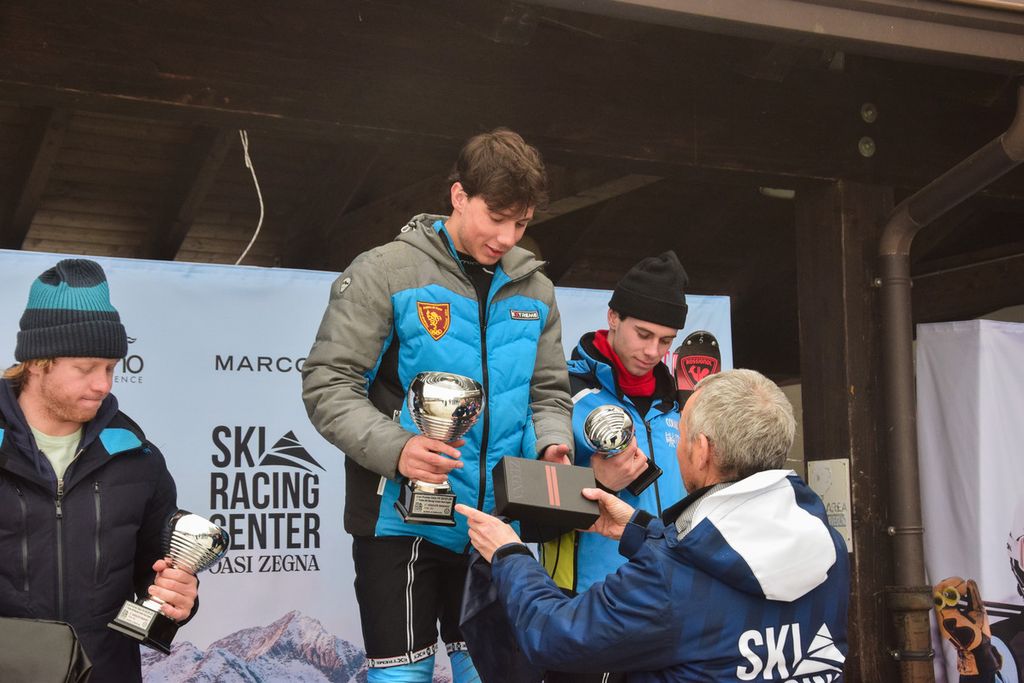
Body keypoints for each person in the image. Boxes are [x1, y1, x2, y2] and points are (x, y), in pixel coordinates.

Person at [302, 128, 574, 682]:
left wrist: (552, 443)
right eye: (496, 217)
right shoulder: (385, 270)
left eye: (521, 223)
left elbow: (547, 393)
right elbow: (328, 384)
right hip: (400, 521)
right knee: (402, 676)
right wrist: (399, 449)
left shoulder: (536, 289)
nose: (507, 237)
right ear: (459, 196)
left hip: (492, 523)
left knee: (492, 673)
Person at [457, 369, 850, 682]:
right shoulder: (827, 545)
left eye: (682, 435)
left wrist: (510, 555)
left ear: (702, 451)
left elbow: (556, 637)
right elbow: (720, 578)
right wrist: (639, 529)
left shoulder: (669, 579)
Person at [0, 259, 198, 683]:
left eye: (110, 368)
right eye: (86, 368)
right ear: (37, 362)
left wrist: (177, 598)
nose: (103, 385)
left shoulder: (138, 459)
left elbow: (155, 574)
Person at [540, 250, 688, 683]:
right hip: (585, 605)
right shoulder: (560, 392)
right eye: (643, 334)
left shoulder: (680, 408)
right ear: (613, 317)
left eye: (666, 341)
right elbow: (528, 513)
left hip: (669, 604)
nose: (653, 351)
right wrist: (597, 481)